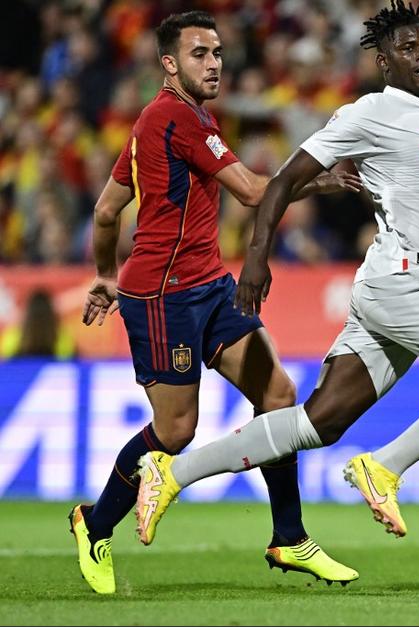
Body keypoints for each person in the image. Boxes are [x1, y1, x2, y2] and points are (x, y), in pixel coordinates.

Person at [135, 0, 419, 548]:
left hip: (398, 286)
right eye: (408, 48)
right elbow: (282, 183)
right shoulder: (368, 113)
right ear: (385, 61)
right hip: (402, 279)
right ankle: (385, 468)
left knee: (317, 423)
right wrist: (256, 257)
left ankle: (173, 474)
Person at [70, 11, 361, 594]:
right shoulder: (172, 117)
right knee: (175, 431)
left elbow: (106, 212)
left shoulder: (171, 121)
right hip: (161, 296)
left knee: (277, 395)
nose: (215, 63)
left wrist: (104, 273)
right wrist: (321, 179)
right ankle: (94, 523)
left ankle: (289, 537)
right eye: (200, 53)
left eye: (219, 52)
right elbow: (254, 192)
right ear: (170, 63)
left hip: (210, 286)